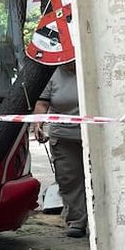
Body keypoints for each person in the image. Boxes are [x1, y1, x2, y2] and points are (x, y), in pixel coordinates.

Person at [31, 62, 87, 238]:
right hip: (63, 136)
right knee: (69, 179)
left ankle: (99, 219)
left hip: (93, 133)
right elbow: (42, 103)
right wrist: (38, 125)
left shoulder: (88, 65)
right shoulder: (52, 73)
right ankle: (77, 221)